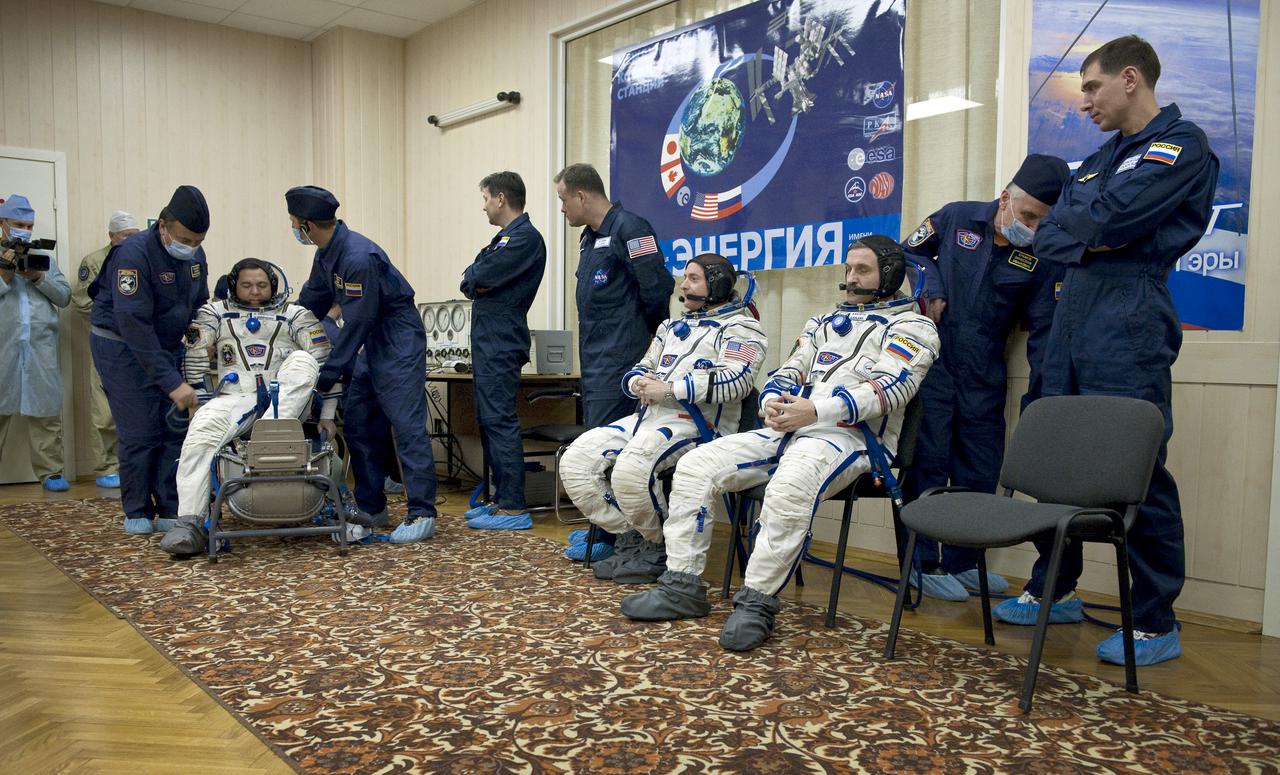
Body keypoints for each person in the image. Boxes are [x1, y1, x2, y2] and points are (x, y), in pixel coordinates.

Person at [993, 36, 1219, 667]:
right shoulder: (1097, 160)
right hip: (1072, 317)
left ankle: (1152, 620)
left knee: (1135, 472)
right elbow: (1055, 236)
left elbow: (1102, 222)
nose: (1083, 100)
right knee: (1058, 461)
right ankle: (1055, 588)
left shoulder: (1182, 146)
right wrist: (1084, 229)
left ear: (1128, 79)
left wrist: (1085, 229)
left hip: (1129, 318)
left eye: (1090, 87)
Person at [621, 237, 939, 651]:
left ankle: (756, 603)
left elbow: (891, 388)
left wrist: (817, 411)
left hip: (853, 438)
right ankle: (682, 585)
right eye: (848, 269)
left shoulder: (913, 328)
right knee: (698, 464)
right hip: (791, 427)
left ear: (891, 275)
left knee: (789, 484)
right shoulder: (821, 323)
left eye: (863, 270)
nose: (851, 278)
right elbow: (786, 372)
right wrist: (774, 402)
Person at [899, 154, 1071, 601]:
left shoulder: (1039, 254)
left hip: (984, 371)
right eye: (1028, 215)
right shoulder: (956, 217)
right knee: (928, 463)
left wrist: (1046, 391)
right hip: (935, 363)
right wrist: (931, 287)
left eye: (1043, 221)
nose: (1032, 226)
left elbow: (1044, 329)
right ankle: (922, 564)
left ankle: (965, 562)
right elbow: (908, 251)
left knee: (980, 469)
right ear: (1005, 198)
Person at [560, 253, 767, 583]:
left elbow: (736, 381)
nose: (683, 285)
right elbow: (644, 365)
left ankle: (658, 549)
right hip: (649, 417)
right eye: (685, 278)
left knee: (631, 469)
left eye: (693, 279)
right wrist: (637, 381)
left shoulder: (743, 329)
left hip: (701, 424)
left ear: (718, 285)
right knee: (577, 461)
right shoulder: (671, 327)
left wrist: (670, 389)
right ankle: (633, 540)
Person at [159, 259, 341, 556]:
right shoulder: (214, 314)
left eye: (261, 285)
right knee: (200, 430)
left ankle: (268, 434)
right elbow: (194, 357)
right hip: (234, 398)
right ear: (233, 286)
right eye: (246, 285)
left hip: (285, 400)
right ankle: (190, 523)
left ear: (273, 286)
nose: (254, 291)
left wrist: (328, 416)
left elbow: (327, 365)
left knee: (304, 361)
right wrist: (201, 402)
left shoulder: (295, 315)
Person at [289, 185, 439, 544]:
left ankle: (422, 513)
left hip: (396, 336)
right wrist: (283, 327)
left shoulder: (357, 255)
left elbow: (357, 323)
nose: (293, 229)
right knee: (358, 421)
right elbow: (312, 299)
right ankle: (371, 508)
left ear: (307, 225)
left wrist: (327, 375)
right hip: (371, 339)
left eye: (294, 223)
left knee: (406, 426)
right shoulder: (327, 253)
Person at [555, 163, 674, 557]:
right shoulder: (590, 239)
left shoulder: (630, 228)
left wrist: (645, 341)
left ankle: (616, 537)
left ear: (581, 195)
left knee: (609, 451)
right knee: (594, 444)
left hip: (624, 357)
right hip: (595, 358)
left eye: (563, 200)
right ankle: (601, 529)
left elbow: (657, 288)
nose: (562, 209)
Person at [90, 186, 211, 534]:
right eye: (185, 238)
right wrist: (172, 382)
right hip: (123, 348)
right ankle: (138, 509)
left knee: (173, 428)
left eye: (198, 240)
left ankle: (171, 506)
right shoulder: (132, 254)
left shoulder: (194, 255)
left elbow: (199, 305)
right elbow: (133, 325)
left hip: (167, 345)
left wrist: (206, 338)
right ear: (163, 226)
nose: (190, 246)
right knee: (140, 429)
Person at [459, 171, 547, 530]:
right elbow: (469, 279)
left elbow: (479, 276)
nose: (482, 207)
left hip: (501, 341)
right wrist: (475, 277)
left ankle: (513, 506)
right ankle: (498, 500)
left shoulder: (525, 239)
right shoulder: (504, 239)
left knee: (500, 421)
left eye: (484, 199)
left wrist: (476, 277)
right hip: (488, 342)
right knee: (489, 422)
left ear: (500, 198)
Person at [0, 194, 72, 491]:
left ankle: (51, 472)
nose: (24, 230)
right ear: (2, 223)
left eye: (28, 225)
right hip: (4, 350)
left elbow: (65, 296)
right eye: (18, 223)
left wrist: (37, 277)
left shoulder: (45, 260)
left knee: (45, 412)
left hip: (41, 349)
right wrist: (4, 275)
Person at [71, 210, 141, 488]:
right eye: (125, 236)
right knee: (105, 411)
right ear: (112, 236)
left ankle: (130, 465)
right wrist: (116, 316)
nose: (130, 241)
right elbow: (80, 301)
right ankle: (105, 467)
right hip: (106, 341)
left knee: (135, 408)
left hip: (138, 344)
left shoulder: (142, 260)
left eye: (135, 236)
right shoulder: (94, 262)